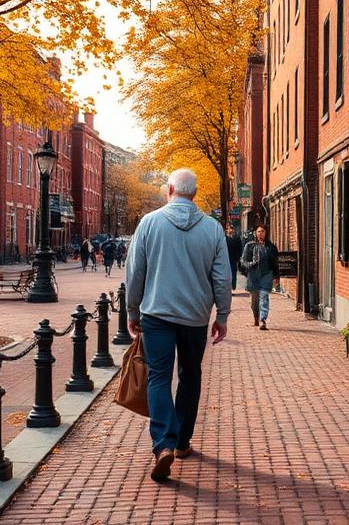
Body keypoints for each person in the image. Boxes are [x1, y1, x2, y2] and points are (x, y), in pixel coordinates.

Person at [126, 168, 231, 482]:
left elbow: (135, 272)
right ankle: (182, 441)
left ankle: (163, 444)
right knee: (190, 375)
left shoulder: (149, 223)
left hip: (156, 314)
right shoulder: (213, 229)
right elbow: (222, 278)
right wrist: (222, 315)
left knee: (159, 377)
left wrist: (132, 311)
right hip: (194, 317)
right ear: (195, 194)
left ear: (170, 190)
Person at [240, 223, 279, 331]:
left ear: (266, 233)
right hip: (253, 275)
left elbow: (275, 263)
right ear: (255, 233)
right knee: (255, 300)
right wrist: (250, 265)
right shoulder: (249, 246)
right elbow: (243, 261)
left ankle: (263, 320)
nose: (261, 233)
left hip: (266, 274)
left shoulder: (271, 247)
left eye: (263, 231)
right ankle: (256, 317)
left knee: (264, 297)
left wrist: (276, 276)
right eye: (259, 231)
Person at [225, 225, 243, 291]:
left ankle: (232, 286)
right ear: (227, 230)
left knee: (233, 273)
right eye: (230, 228)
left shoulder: (237, 238)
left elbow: (240, 248)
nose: (231, 230)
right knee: (226, 274)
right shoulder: (224, 238)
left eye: (232, 228)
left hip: (234, 258)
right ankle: (227, 288)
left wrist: (239, 257)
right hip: (225, 258)